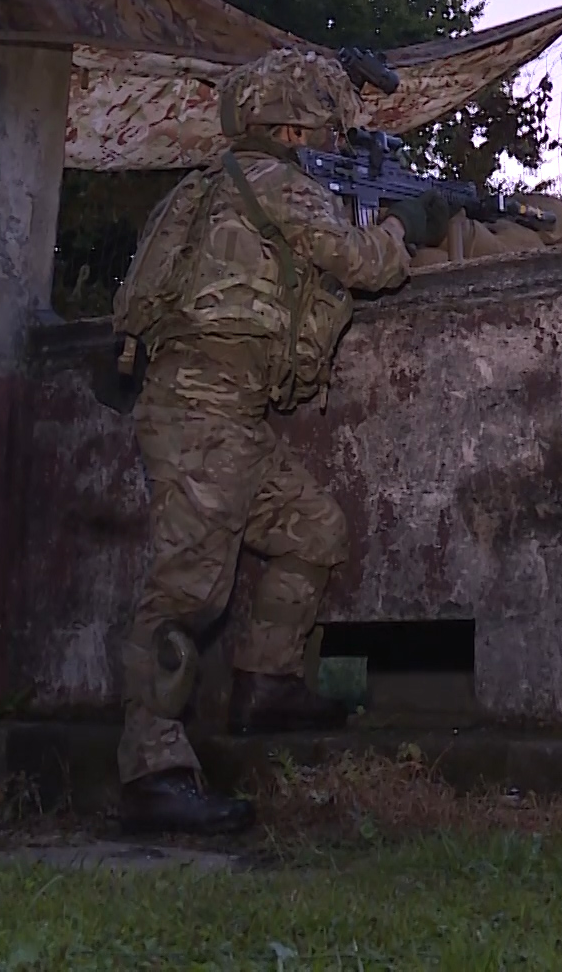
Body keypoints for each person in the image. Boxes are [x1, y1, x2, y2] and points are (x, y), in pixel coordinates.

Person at [108, 48, 451, 834]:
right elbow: (364, 265)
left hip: (218, 413)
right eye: (323, 130)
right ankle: (152, 769)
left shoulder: (200, 192)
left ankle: (266, 684)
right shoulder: (280, 188)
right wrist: (405, 226)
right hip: (205, 407)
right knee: (188, 589)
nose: (331, 144)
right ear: (293, 126)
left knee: (312, 527)